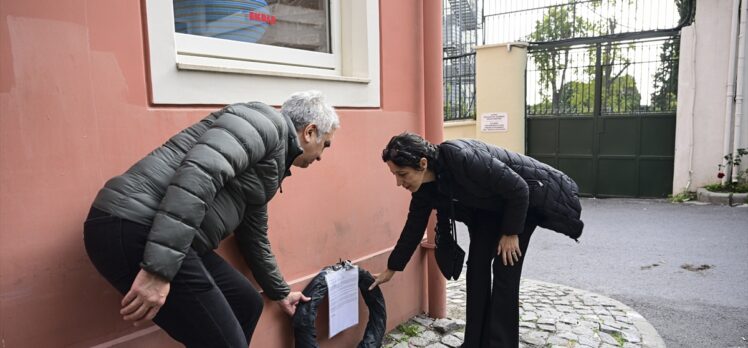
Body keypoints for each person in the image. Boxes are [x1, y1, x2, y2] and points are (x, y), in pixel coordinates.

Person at [83, 90, 339, 347]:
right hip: (132, 224)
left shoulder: (272, 165)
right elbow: (200, 175)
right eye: (325, 144)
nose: (320, 156)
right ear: (309, 132)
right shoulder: (263, 123)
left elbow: (253, 236)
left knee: (246, 303)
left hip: (166, 234)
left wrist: (281, 292)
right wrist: (158, 270)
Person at [370, 132, 583, 348]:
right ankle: (474, 343)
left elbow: (519, 189)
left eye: (402, 174)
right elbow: (413, 227)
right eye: (395, 175)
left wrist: (511, 233)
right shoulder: (424, 188)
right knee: (476, 270)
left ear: (423, 163)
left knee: (504, 273)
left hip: (518, 206)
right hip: (488, 210)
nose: (399, 182)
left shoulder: (461, 157)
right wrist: (392, 268)